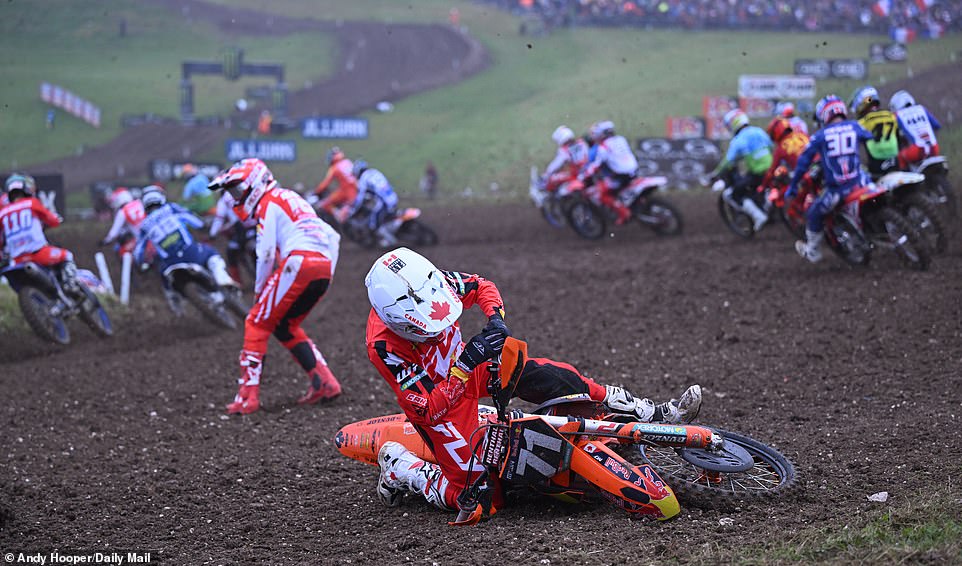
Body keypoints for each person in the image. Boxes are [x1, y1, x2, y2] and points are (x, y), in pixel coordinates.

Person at [364, 247, 702, 511]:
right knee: (481, 499)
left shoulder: (433, 281)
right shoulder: (384, 347)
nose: (437, 331)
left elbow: (482, 286)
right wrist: (465, 364)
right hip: (441, 398)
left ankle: (649, 413)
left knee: (550, 376)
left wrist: (495, 319)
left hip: (468, 366)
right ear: (399, 323)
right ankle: (402, 469)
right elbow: (428, 409)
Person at [209, 158, 342, 415]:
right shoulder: (293, 198)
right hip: (322, 266)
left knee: (256, 322)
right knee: (285, 326)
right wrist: (328, 272)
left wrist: (259, 293)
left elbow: (267, 253)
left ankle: (247, 397)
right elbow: (333, 237)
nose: (235, 198)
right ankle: (325, 383)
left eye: (237, 190)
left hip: (298, 262)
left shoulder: (268, 203)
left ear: (255, 184)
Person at [788, 95, 873, 264]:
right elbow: (870, 137)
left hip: (839, 189)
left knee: (813, 213)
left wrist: (793, 184)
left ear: (824, 116)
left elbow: (803, 161)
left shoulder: (820, 136)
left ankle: (813, 251)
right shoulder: (855, 126)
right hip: (862, 181)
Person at [134, 186, 235, 315]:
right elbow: (195, 221)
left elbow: (138, 252)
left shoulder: (143, 226)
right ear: (161, 198)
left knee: (167, 283)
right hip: (190, 252)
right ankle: (222, 278)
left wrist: (141, 265)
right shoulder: (171, 208)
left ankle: (177, 308)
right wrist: (204, 226)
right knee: (211, 253)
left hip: (169, 263)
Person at [0, 173, 81, 295]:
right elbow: (53, 221)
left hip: (15, 259)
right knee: (67, 255)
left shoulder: (3, 212)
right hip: (36, 252)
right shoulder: (32, 202)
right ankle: (71, 285)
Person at [708, 109, 774, 232]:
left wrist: (716, 174)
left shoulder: (738, 140)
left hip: (758, 173)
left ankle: (759, 217)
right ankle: (766, 202)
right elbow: (771, 146)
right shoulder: (759, 131)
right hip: (772, 168)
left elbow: (728, 161)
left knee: (733, 194)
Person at [581, 120, 638, 225]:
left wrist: (584, 174)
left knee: (601, 194)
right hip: (634, 171)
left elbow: (596, 165)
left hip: (621, 176)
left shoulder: (603, 147)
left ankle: (624, 213)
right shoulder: (621, 139)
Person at [850, 86, 900, 178]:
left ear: (860, 103)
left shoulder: (861, 123)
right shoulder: (891, 116)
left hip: (876, 166)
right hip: (896, 162)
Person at [208, 190, 256, 285]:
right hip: (258, 223)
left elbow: (219, 219)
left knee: (231, 253)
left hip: (243, 231)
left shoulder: (224, 200)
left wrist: (212, 234)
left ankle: (237, 283)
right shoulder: (244, 190)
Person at [350, 160, 400, 247]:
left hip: (384, 203)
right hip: (393, 196)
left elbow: (360, 197)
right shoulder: (375, 172)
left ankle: (391, 241)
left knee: (374, 224)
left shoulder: (363, 179)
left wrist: (354, 208)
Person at [889, 90, 942, 169]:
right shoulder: (922, 109)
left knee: (900, 157)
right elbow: (937, 125)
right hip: (934, 148)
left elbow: (891, 132)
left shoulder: (897, 115)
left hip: (917, 151)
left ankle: (908, 179)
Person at [541, 125, 590, 192]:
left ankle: (548, 194)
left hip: (576, 175)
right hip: (588, 171)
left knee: (552, 178)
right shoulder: (582, 143)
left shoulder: (564, 150)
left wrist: (547, 174)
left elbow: (555, 165)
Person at [313, 147, 357, 221]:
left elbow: (325, 183)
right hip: (357, 188)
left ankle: (339, 216)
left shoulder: (334, 168)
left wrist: (316, 191)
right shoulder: (347, 162)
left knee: (325, 204)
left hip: (346, 191)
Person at [100, 187, 146, 255]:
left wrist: (105, 241)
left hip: (142, 240)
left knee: (122, 251)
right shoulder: (139, 202)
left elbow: (114, 232)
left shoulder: (122, 211)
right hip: (153, 234)